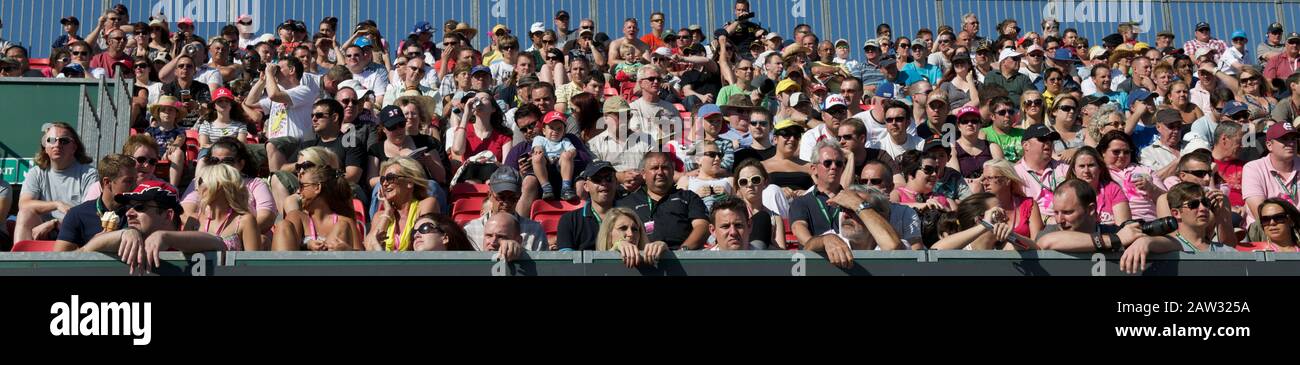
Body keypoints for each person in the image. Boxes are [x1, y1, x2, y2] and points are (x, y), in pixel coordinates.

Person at [80, 181, 228, 274]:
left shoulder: (189, 242)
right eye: (129, 206)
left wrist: (165, 236)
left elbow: (219, 244)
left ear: (168, 215)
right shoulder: (128, 239)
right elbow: (80, 254)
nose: (129, 213)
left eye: (139, 207)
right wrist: (125, 233)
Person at [1035, 179, 1177, 273]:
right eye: (1056, 212)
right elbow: (1045, 242)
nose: (1059, 220)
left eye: (1067, 212)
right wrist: (1116, 239)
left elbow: (1176, 244)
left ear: (1091, 209)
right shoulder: (1050, 232)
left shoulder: (1118, 231)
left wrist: (1147, 241)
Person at [14, 123, 98, 243]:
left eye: (64, 141)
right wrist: (57, 204)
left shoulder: (89, 174)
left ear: (74, 147)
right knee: (24, 214)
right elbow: (24, 204)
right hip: (42, 230)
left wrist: (54, 223)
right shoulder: (36, 173)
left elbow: (88, 214)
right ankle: (21, 260)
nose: (57, 145)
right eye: (51, 140)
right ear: (46, 147)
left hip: (75, 231)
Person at [616, 152, 710, 250]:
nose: (660, 172)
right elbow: (614, 232)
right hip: (640, 260)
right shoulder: (627, 202)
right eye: (654, 168)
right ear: (643, 174)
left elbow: (702, 226)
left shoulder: (689, 197)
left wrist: (683, 252)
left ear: (673, 171)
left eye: (665, 168)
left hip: (681, 259)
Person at [182, 138, 277, 234]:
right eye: (214, 160)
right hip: (205, 237)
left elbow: (266, 217)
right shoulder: (201, 181)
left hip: (247, 239)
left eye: (227, 161)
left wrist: (236, 234)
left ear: (241, 164)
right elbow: (185, 213)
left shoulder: (256, 184)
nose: (220, 165)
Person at [802, 185, 909, 268]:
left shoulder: (898, 243)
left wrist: (857, 203)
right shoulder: (834, 239)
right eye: (844, 208)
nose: (845, 215)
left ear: (880, 217)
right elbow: (805, 252)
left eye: (854, 210)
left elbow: (893, 247)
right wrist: (824, 240)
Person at [246, 57, 319, 172]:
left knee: (273, 144)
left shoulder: (304, 90)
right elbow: (250, 102)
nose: (275, 71)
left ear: (292, 70)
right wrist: (262, 80)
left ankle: (274, 179)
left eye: (278, 69)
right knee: (241, 150)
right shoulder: (276, 92)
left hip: (295, 145)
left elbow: (274, 95)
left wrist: (269, 74)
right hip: (274, 146)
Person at [54, 154, 137, 251]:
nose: (135, 186)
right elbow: (61, 261)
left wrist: (157, 235)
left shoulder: (140, 211)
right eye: (128, 181)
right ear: (107, 182)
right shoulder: (77, 215)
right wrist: (93, 245)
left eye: (135, 181)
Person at [273, 163, 362, 251]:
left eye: (302, 186)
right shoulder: (297, 217)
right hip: (299, 264)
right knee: (283, 225)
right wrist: (306, 245)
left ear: (317, 188)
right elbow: (288, 244)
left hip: (331, 264)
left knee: (342, 225)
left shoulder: (345, 222)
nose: (298, 191)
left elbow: (363, 257)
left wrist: (348, 250)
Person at [364, 157, 440, 251]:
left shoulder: (426, 205)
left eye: (390, 178)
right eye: (383, 179)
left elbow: (421, 244)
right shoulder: (379, 216)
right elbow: (369, 249)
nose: (385, 184)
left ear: (409, 182)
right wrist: (387, 213)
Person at [184, 164, 262, 251]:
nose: (197, 188)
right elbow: (182, 260)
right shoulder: (193, 221)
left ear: (220, 185)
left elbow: (252, 261)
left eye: (201, 181)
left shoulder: (245, 221)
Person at [1243, 121, 1300, 229]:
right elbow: (1261, 214)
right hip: (1267, 229)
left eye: (1293, 139)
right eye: (1284, 139)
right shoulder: (1253, 168)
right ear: (1269, 145)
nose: (1291, 143)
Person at [932, 192, 1036, 250]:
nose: (1006, 218)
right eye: (998, 212)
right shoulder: (961, 248)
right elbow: (936, 250)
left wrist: (1012, 235)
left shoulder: (1002, 248)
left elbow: (1036, 249)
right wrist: (984, 226)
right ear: (979, 219)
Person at [1098, 130, 1162, 222]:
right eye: (1116, 152)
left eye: (1126, 152)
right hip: (1118, 223)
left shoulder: (1146, 170)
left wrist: (1151, 188)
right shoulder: (1098, 172)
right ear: (1103, 152)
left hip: (1151, 221)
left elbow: (1167, 200)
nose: (1122, 155)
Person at [556, 162, 620, 251]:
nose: (604, 183)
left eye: (608, 178)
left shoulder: (629, 216)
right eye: (597, 179)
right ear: (586, 186)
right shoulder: (569, 220)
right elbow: (567, 261)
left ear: (616, 183)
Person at [1065, 146, 1131, 225]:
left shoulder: (1113, 189)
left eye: (1091, 165)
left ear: (1100, 168)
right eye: (1082, 166)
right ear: (1074, 171)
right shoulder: (1066, 193)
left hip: (1112, 236)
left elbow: (1123, 226)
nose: (1086, 171)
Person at [980, 160, 1044, 240]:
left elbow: (1038, 243)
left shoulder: (1028, 205)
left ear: (1007, 180)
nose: (985, 183)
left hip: (1026, 252)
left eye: (990, 178)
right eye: (983, 179)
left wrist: (1013, 238)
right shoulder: (979, 208)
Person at [594, 207, 668, 267]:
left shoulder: (649, 265)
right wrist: (616, 247)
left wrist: (664, 251)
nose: (631, 234)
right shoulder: (595, 265)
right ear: (608, 234)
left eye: (635, 229)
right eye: (623, 228)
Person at [531, 111, 579, 200]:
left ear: (564, 132)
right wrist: (538, 149)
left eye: (559, 129)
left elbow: (573, 150)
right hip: (546, 164)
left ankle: (566, 187)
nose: (555, 131)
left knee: (566, 156)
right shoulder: (540, 139)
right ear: (544, 130)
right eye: (551, 128)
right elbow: (537, 147)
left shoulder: (565, 141)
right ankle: (546, 188)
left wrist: (570, 153)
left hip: (560, 164)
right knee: (537, 157)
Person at [763, 120, 814, 202]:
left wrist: (807, 193)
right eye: (786, 134)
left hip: (804, 206)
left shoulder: (809, 166)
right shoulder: (762, 166)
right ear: (775, 139)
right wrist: (778, 192)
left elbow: (821, 189)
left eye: (796, 135)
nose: (792, 139)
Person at [143, 95, 188, 187]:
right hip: (153, 155)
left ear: (176, 114)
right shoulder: (151, 130)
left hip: (169, 154)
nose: (167, 113)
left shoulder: (178, 131)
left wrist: (174, 145)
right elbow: (144, 140)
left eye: (171, 110)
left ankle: (173, 188)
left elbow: (180, 138)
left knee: (178, 152)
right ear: (158, 113)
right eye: (163, 110)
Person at [950, 106, 1002, 179]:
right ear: (959, 126)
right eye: (965, 121)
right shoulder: (952, 149)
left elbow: (1001, 174)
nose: (970, 124)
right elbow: (956, 178)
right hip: (965, 188)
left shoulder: (992, 147)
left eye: (974, 121)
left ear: (980, 124)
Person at [680, 142, 733, 211]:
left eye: (719, 155)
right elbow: (677, 208)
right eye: (712, 154)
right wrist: (694, 196)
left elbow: (742, 207)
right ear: (698, 160)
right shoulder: (686, 181)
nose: (717, 158)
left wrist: (728, 197)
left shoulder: (729, 181)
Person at [194, 88, 249, 155]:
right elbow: (204, 146)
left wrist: (214, 146)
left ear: (231, 105)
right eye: (220, 101)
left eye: (227, 101)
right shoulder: (206, 124)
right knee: (203, 153)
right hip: (211, 157)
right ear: (214, 105)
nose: (224, 103)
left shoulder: (240, 125)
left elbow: (241, 146)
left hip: (232, 157)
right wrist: (229, 145)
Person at [981, 96, 1025, 162]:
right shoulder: (984, 134)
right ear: (992, 116)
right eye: (1002, 112)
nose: (1007, 115)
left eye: (1010, 112)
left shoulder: (1023, 133)